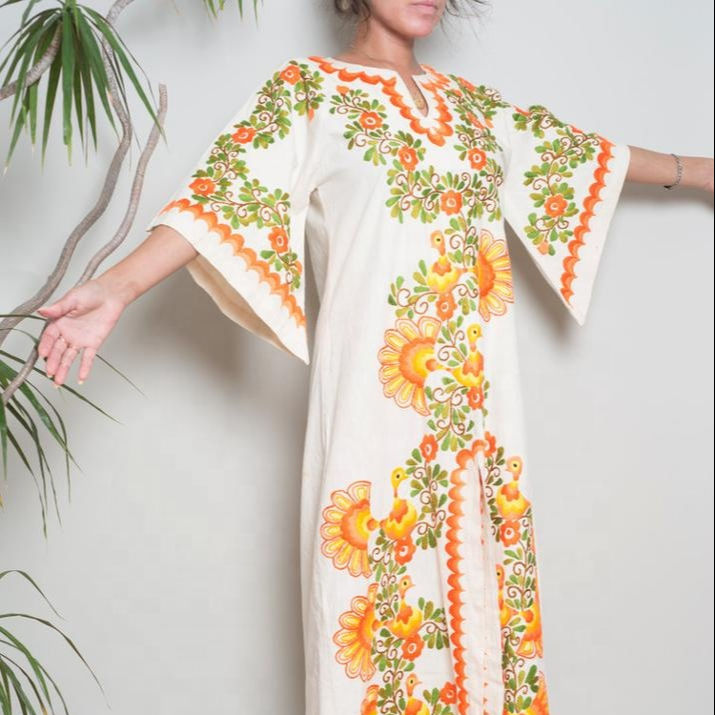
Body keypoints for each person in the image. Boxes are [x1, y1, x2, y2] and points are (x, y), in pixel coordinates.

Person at [36, 1, 713, 713]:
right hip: (378, 405)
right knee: (379, 607)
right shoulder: (310, 92)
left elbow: (580, 156)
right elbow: (220, 201)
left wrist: (700, 171)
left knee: (485, 597)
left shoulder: (475, 110)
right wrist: (115, 287)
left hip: (480, 412)